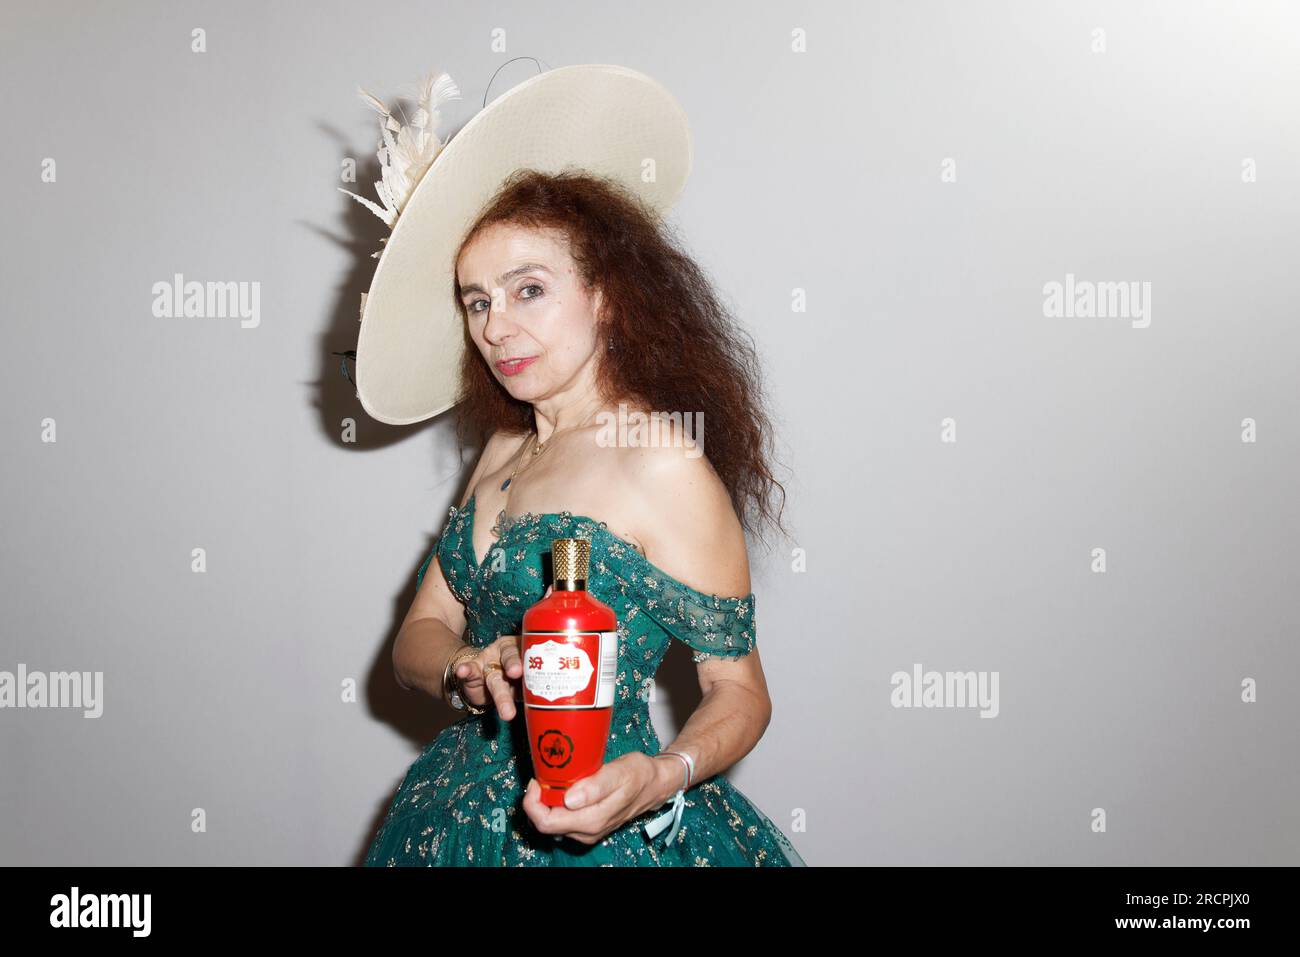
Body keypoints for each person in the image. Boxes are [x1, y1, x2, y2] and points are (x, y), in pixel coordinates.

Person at [345, 64, 804, 866]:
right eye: (478, 301)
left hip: (604, 829)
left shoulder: (662, 463)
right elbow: (419, 633)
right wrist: (463, 666)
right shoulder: (501, 450)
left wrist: (662, 776)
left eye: (528, 290)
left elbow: (740, 692)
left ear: (605, 297)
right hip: (447, 823)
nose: (494, 328)